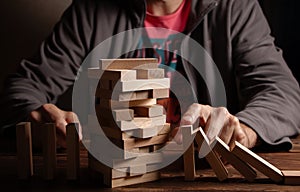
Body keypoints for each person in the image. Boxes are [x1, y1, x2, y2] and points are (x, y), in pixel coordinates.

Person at [0, 0, 299, 150]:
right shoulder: (90, 10)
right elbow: (24, 87)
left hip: (205, 181)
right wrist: (36, 115)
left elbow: (283, 92)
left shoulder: (235, 7)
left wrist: (242, 129)